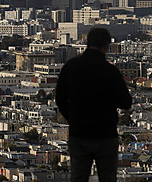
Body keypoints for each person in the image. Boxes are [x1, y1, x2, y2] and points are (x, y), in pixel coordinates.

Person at [56, 27, 132, 182]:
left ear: (86, 43)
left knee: (78, 177)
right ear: (106, 46)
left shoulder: (71, 67)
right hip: (105, 133)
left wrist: (73, 119)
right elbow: (126, 102)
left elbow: (60, 98)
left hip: (79, 132)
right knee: (107, 178)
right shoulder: (110, 71)